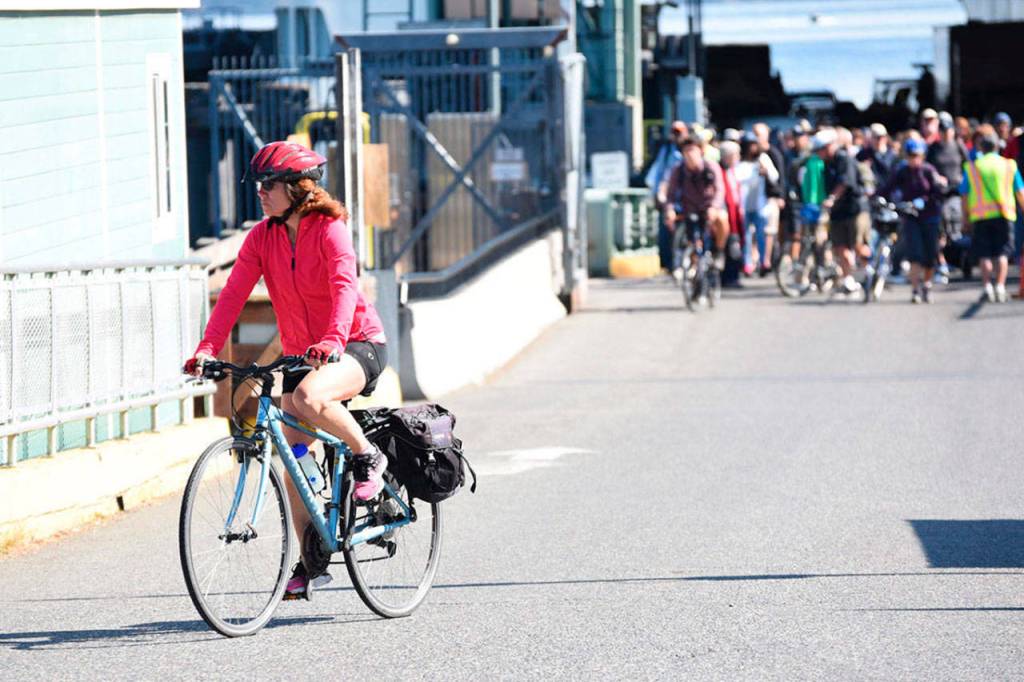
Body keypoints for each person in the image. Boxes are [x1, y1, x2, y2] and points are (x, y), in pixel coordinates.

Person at [183, 141, 389, 598]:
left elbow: (343, 287)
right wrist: (206, 347)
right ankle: (312, 560)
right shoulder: (263, 237)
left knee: (308, 399)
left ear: (298, 188)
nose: (261, 192)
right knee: (294, 459)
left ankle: (368, 456)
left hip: (356, 343)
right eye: (258, 185)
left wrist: (334, 340)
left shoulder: (330, 228)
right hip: (303, 354)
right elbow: (234, 294)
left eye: (268, 184)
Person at [959, 127, 1024, 302]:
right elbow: (1020, 192)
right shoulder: (1009, 165)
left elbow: (964, 195)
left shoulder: (972, 167)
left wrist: (964, 217)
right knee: (1002, 253)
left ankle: (988, 286)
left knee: (985, 254)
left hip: (980, 217)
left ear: (981, 148)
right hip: (1004, 214)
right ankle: (1000, 287)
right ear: (997, 147)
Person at [878, 138, 947, 303]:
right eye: (910, 155)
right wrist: (878, 197)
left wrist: (926, 200)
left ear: (922, 156)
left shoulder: (929, 171)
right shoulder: (902, 171)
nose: (913, 159)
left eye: (917, 155)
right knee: (915, 255)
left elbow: (939, 192)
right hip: (911, 218)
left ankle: (927, 285)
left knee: (930, 256)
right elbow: (888, 187)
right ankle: (915, 289)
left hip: (930, 217)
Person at [663, 134, 729, 268]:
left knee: (722, 219)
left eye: (692, 150)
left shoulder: (711, 166)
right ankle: (693, 270)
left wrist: (714, 207)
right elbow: (670, 194)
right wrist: (669, 210)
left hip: (709, 207)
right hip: (690, 209)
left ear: (701, 151)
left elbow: (720, 189)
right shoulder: (678, 170)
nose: (689, 154)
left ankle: (719, 251)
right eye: (686, 151)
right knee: (692, 240)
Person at [821, 128, 870, 292]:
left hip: (854, 208)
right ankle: (848, 278)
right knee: (840, 246)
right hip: (838, 211)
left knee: (858, 245)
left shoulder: (844, 159)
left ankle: (868, 272)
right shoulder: (826, 163)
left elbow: (845, 182)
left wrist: (832, 198)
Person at [926, 112, 969, 280]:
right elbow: (927, 169)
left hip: (956, 193)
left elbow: (968, 166)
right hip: (939, 195)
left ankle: (961, 262)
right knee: (940, 231)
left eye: (948, 129)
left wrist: (962, 180)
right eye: (942, 129)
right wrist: (937, 178)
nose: (946, 132)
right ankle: (942, 263)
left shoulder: (958, 145)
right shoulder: (933, 148)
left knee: (956, 228)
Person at [735, 133, 780, 275]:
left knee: (762, 234)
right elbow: (737, 179)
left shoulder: (762, 159)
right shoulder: (739, 161)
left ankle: (763, 261)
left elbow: (775, 176)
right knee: (746, 236)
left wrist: (765, 172)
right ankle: (747, 263)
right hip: (744, 204)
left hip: (760, 204)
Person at [646, 120, 687, 272]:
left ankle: (685, 262)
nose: (677, 136)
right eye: (674, 133)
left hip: (687, 196)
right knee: (666, 231)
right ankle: (670, 264)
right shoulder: (666, 149)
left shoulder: (689, 149)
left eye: (679, 133)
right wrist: (657, 194)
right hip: (668, 195)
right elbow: (659, 173)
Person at [717, 140, 746, 287]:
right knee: (730, 247)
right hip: (724, 215)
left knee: (735, 246)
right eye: (736, 155)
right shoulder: (718, 171)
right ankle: (727, 278)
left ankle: (733, 276)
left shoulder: (732, 171)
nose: (738, 158)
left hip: (735, 214)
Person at [857, 123, 897, 190]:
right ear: (871, 138)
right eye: (876, 137)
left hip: (888, 190)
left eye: (882, 137)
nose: (879, 140)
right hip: (869, 190)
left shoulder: (892, 154)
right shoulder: (863, 154)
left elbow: (890, 171)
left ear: (886, 137)